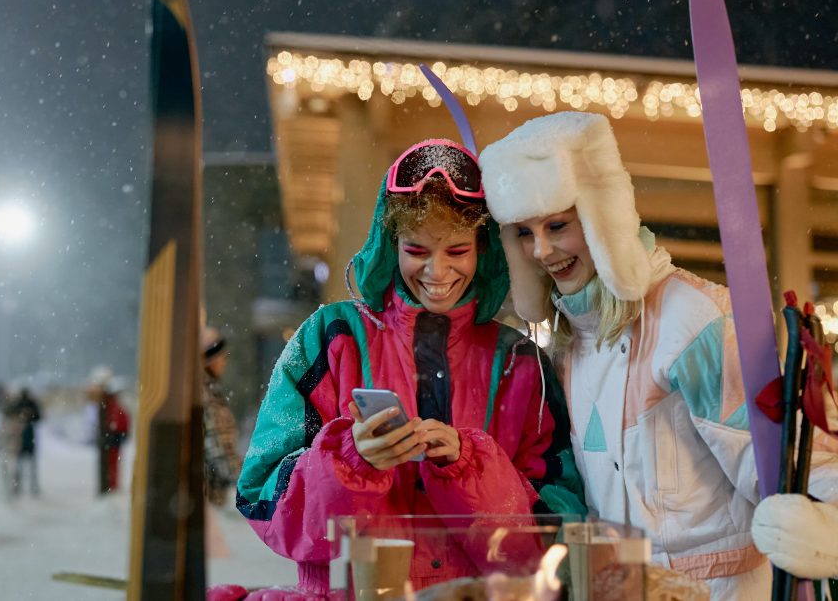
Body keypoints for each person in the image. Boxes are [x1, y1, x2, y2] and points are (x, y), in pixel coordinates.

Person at [478, 111, 838, 600]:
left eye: (557, 225)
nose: (541, 250)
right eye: (523, 232)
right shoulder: (571, 340)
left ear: (600, 215)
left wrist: (822, 519)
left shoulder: (688, 317)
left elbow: (777, 457)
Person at [233, 138, 583, 598]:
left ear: (484, 250)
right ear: (390, 242)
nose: (437, 273)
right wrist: (348, 464)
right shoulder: (330, 338)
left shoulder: (522, 366)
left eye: (457, 251)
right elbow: (264, 507)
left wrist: (469, 468)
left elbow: (550, 548)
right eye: (417, 250)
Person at [201, 326, 242, 507]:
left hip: (208, 487)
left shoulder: (208, 392)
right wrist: (246, 480)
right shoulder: (206, 396)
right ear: (209, 359)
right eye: (221, 358)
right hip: (208, 490)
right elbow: (219, 448)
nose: (224, 363)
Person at [90, 370, 130, 494]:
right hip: (113, 438)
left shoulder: (113, 408)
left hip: (113, 438)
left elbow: (119, 422)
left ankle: (112, 486)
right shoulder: (115, 407)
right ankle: (112, 486)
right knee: (113, 464)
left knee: (112, 464)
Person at [11, 387, 43, 496]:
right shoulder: (25, 404)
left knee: (25, 465)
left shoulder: (21, 404)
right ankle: (23, 487)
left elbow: (38, 417)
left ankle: (25, 487)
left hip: (25, 438)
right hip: (22, 438)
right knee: (25, 465)